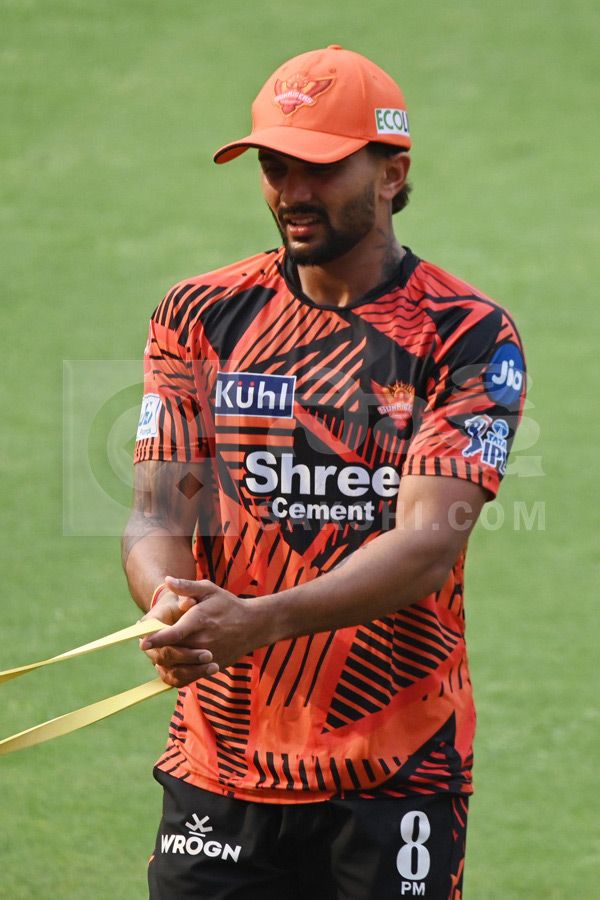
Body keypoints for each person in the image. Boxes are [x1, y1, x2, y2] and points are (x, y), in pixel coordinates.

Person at [123, 45, 526, 900]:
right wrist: (165, 599)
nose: (291, 192)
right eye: (275, 165)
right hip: (220, 763)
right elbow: (159, 509)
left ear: (391, 172)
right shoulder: (200, 313)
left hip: (395, 773)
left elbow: (424, 548)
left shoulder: (465, 336)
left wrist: (260, 621)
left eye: (319, 167)